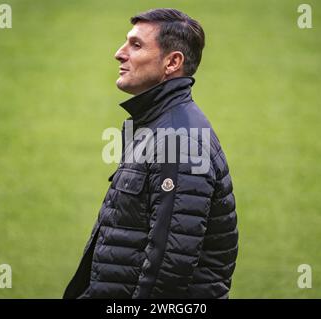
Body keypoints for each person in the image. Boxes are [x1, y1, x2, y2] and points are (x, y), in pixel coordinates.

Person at [63, 8, 238, 299]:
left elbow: (170, 265)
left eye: (136, 45)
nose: (119, 54)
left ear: (172, 62)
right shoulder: (156, 125)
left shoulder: (178, 141)